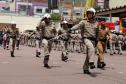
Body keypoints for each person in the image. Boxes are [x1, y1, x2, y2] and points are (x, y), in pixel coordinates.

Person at [68, 8, 98, 74]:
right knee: (91, 48)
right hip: (86, 38)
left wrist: (97, 40)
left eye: (91, 13)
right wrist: (71, 29)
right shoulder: (83, 21)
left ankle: (85, 68)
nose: (89, 14)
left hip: (93, 40)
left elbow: (97, 32)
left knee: (89, 54)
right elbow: (78, 26)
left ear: (93, 14)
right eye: (88, 13)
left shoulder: (96, 23)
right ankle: (91, 63)